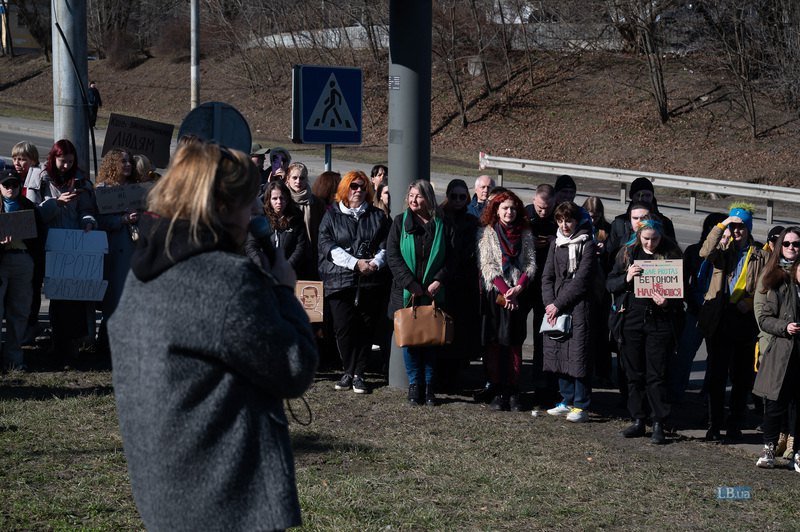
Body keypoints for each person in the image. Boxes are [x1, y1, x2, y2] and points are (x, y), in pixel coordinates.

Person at [109, 140, 317, 531]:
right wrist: (282, 291)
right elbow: (295, 365)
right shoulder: (227, 281)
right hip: (227, 500)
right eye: (247, 202)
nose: (257, 210)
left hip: (165, 491)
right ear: (219, 208)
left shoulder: (143, 274)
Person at [607, 220, 685, 444]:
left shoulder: (671, 254)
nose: (650, 243)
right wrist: (626, 278)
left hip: (659, 322)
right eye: (646, 239)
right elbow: (610, 284)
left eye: (655, 239)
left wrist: (667, 302)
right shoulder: (628, 253)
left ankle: (659, 421)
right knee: (634, 372)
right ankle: (638, 419)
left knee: (656, 374)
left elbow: (680, 293)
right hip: (631, 319)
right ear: (639, 235)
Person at [698, 203, 767, 441]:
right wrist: (722, 226)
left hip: (744, 320)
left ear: (748, 229)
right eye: (734, 226)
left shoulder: (760, 254)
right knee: (716, 376)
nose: (736, 231)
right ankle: (714, 424)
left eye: (740, 227)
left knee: (741, 377)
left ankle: (735, 423)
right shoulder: (722, 250)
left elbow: (765, 286)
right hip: (720, 317)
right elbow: (705, 253)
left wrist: (749, 303)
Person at [26, 139, 98, 364]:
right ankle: (57, 342)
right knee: (56, 295)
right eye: (62, 161)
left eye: (69, 161)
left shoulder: (82, 181)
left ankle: (74, 345)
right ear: (53, 159)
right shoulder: (40, 178)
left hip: (75, 244)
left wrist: (89, 222)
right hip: (49, 244)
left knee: (75, 295)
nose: (66, 166)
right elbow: (32, 214)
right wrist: (56, 203)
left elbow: (87, 210)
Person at [318, 170, 390, 394]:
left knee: (365, 328)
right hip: (339, 282)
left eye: (362, 187)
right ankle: (347, 370)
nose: (358, 191)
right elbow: (327, 245)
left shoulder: (377, 216)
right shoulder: (331, 215)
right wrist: (355, 263)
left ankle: (359, 373)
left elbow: (386, 245)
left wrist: (375, 264)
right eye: (353, 186)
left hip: (370, 282)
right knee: (343, 328)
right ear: (344, 189)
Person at [387, 179, 453, 406]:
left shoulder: (442, 223)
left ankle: (430, 386)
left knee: (432, 339)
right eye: (411, 196)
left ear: (429, 198)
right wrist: (410, 283)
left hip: (434, 293)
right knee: (411, 339)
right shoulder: (399, 222)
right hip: (407, 293)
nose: (414, 200)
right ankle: (415, 385)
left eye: (419, 196)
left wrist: (439, 280)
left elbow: (453, 257)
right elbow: (392, 256)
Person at [476, 190, 536, 410]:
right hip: (497, 295)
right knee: (495, 343)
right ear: (497, 210)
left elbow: (530, 263)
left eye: (512, 208)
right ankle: (498, 389)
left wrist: (518, 288)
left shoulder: (525, 233)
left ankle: (513, 389)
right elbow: (488, 265)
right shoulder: (488, 233)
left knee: (514, 343)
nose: (509, 212)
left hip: (518, 293)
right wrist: (505, 291)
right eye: (504, 208)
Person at [542, 202, 597, 423]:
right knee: (559, 350)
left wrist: (558, 304)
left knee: (578, 355)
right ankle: (565, 399)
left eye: (569, 220)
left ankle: (581, 404)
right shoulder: (556, 243)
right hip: (555, 306)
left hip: (579, 307)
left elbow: (582, 281)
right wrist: (549, 303)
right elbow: (547, 276)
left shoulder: (587, 244)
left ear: (577, 220)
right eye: (561, 220)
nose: (565, 225)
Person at [669, 212, 727, 403]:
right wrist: (690, 300)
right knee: (685, 352)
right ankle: (677, 391)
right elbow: (682, 279)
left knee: (715, 356)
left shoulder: (728, 253)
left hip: (718, 310)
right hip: (695, 308)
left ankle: (708, 394)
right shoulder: (694, 251)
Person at [753, 226, 800, 460]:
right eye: (787, 243)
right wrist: (785, 327)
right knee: (775, 401)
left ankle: (795, 449)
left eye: (796, 244)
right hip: (779, 348)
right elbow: (763, 317)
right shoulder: (774, 276)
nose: (792, 248)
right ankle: (770, 447)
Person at [95, 149, 140, 356]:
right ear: (113, 164)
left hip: (135, 250)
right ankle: (106, 342)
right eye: (123, 161)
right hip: (114, 249)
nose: (128, 164)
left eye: (129, 161)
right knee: (114, 298)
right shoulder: (104, 190)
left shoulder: (137, 189)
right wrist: (121, 220)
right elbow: (99, 221)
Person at [439, 179, 481, 392]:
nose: (457, 200)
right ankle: (441, 376)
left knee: (460, 333)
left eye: (462, 196)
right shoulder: (440, 218)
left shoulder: (472, 221)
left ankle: (454, 376)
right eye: (453, 196)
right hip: (444, 281)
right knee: (441, 331)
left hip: (464, 283)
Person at [0, 169, 43, 370]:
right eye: (6, 185)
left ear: (20, 187)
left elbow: (39, 238)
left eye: (14, 185)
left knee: (19, 311)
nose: (10, 189)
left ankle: (14, 358)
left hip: (23, 261)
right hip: (1, 261)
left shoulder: (29, 207)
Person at [523, 184, 559, 406]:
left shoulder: (559, 217)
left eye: (546, 208)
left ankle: (544, 385)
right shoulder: (525, 214)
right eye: (539, 207)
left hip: (548, 284)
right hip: (526, 281)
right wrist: (531, 243)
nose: (542, 212)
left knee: (543, 336)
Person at [11, 141, 46, 344]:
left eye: (23, 159)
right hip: (12, 242)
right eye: (15, 158)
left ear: (33, 160)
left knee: (33, 286)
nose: (18, 163)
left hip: (33, 242)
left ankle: (31, 326)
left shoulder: (40, 178)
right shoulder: (10, 179)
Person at [583, 196, 614, 386]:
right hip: (586, 286)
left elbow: (614, 256)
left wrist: (604, 251)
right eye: (590, 216)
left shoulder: (607, 230)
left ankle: (604, 372)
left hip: (601, 288)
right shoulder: (580, 227)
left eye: (596, 216)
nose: (593, 220)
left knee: (602, 331)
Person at [247, 180, 309, 275]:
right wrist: (262, 265)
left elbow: (300, 247)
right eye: (274, 199)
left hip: (290, 271)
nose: (279, 202)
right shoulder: (260, 217)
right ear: (269, 200)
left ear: (287, 199)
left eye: (282, 198)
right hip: (264, 272)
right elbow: (251, 246)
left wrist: (286, 267)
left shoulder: (296, 217)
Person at [607, 178, 676, 260]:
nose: (643, 199)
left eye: (648, 195)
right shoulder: (619, 223)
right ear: (632, 196)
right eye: (639, 195)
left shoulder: (664, 223)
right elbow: (610, 253)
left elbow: (673, 252)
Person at [284, 162, 325, 279]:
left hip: (310, 255)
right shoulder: (281, 200)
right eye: (294, 178)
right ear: (288, 179)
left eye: (302, 178)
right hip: (288, 256)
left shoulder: (317, 203)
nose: (298, 182)